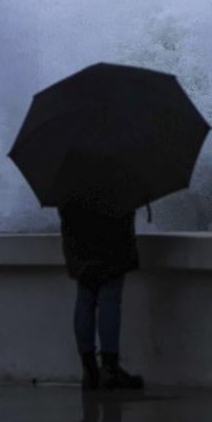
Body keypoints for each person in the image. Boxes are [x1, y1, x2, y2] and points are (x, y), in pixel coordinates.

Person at [58, 151, 145, 391]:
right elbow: (127, 195)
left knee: (85, 295)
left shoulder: (67, 156)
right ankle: (110, 367)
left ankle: (89, 370)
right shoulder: (115, 153)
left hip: (77, 232)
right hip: (110, 230)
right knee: (109, 295)